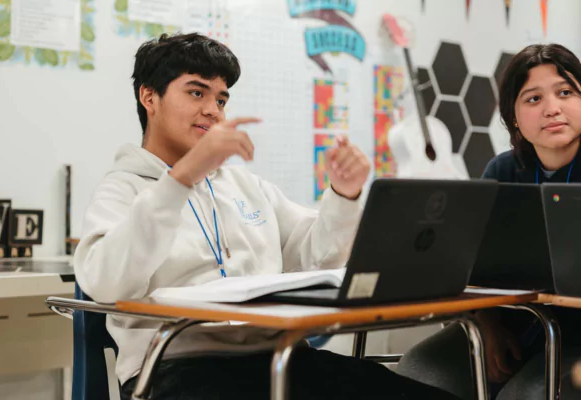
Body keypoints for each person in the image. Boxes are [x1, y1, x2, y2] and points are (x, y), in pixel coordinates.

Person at [74, 33, 459, 400]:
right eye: (196, 92)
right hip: (176, 369)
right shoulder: (122, 188)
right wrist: (182, 177)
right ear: (149, 97)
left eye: (222, 100)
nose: (212, 110)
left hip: (280, 356)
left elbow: (316, 255)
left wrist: (344, 193)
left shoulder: (244, 185)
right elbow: (107, 282)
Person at [397, 43, 581, 399]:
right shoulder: (501, 171)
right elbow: (470, 262)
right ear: (513, 116)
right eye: (533, 99)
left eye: (566, 92)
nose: (552, 108)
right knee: (419, 370)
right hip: (508, 322)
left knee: (524, 394)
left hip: (576, 334)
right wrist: (487, 325)